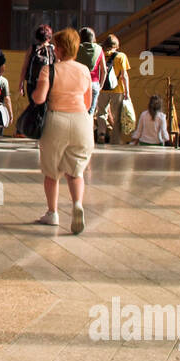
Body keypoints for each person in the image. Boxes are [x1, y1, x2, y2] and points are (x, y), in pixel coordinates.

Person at [31, 26, 93, 234]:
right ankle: (77, 204)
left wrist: (33, 95)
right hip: (81, 122)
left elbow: (40, 98)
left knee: (52, 171)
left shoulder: (49, 70)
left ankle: (53, 213)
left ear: (59, 49)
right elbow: (88, 101)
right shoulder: (84, 70)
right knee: (75, 171)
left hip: (57, 120)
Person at [96, 34, 131, 144]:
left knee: (101, 113)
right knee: (117, 115)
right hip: (117, 90)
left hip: (102, 89)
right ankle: (115, 139)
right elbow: (124, 75)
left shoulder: (100, 54)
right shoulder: (121, 56)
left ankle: (101, 133)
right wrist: (127, 92)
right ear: (116, 45)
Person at [76, 26, 106, 117]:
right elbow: (104, 70)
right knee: (90, 113)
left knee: (78, 112)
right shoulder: (99, 49)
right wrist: (100, 85)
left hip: (79, 83)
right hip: (94, 83)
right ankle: (89, 130)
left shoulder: (77, 48)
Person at [19, 24, 54, 102]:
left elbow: (25, 67)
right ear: (49, 37)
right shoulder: (52, 49)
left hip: (32, 84)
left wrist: (21, 84)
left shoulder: (33, 48)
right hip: (46, 84)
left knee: (33, 108)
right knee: (44, 110)